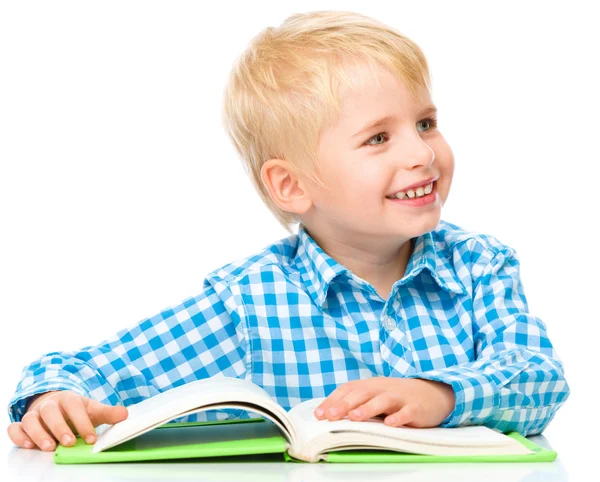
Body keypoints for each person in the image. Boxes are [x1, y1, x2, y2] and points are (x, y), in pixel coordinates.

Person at [7, 10, 570, 452]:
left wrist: (440, 395)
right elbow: (99, 368)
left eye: (426, 123)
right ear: (291, 186)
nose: (423, 152)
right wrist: (54, 397)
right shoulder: (251, 299)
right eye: (378, 138)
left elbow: (540, 379)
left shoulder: (479, 266)